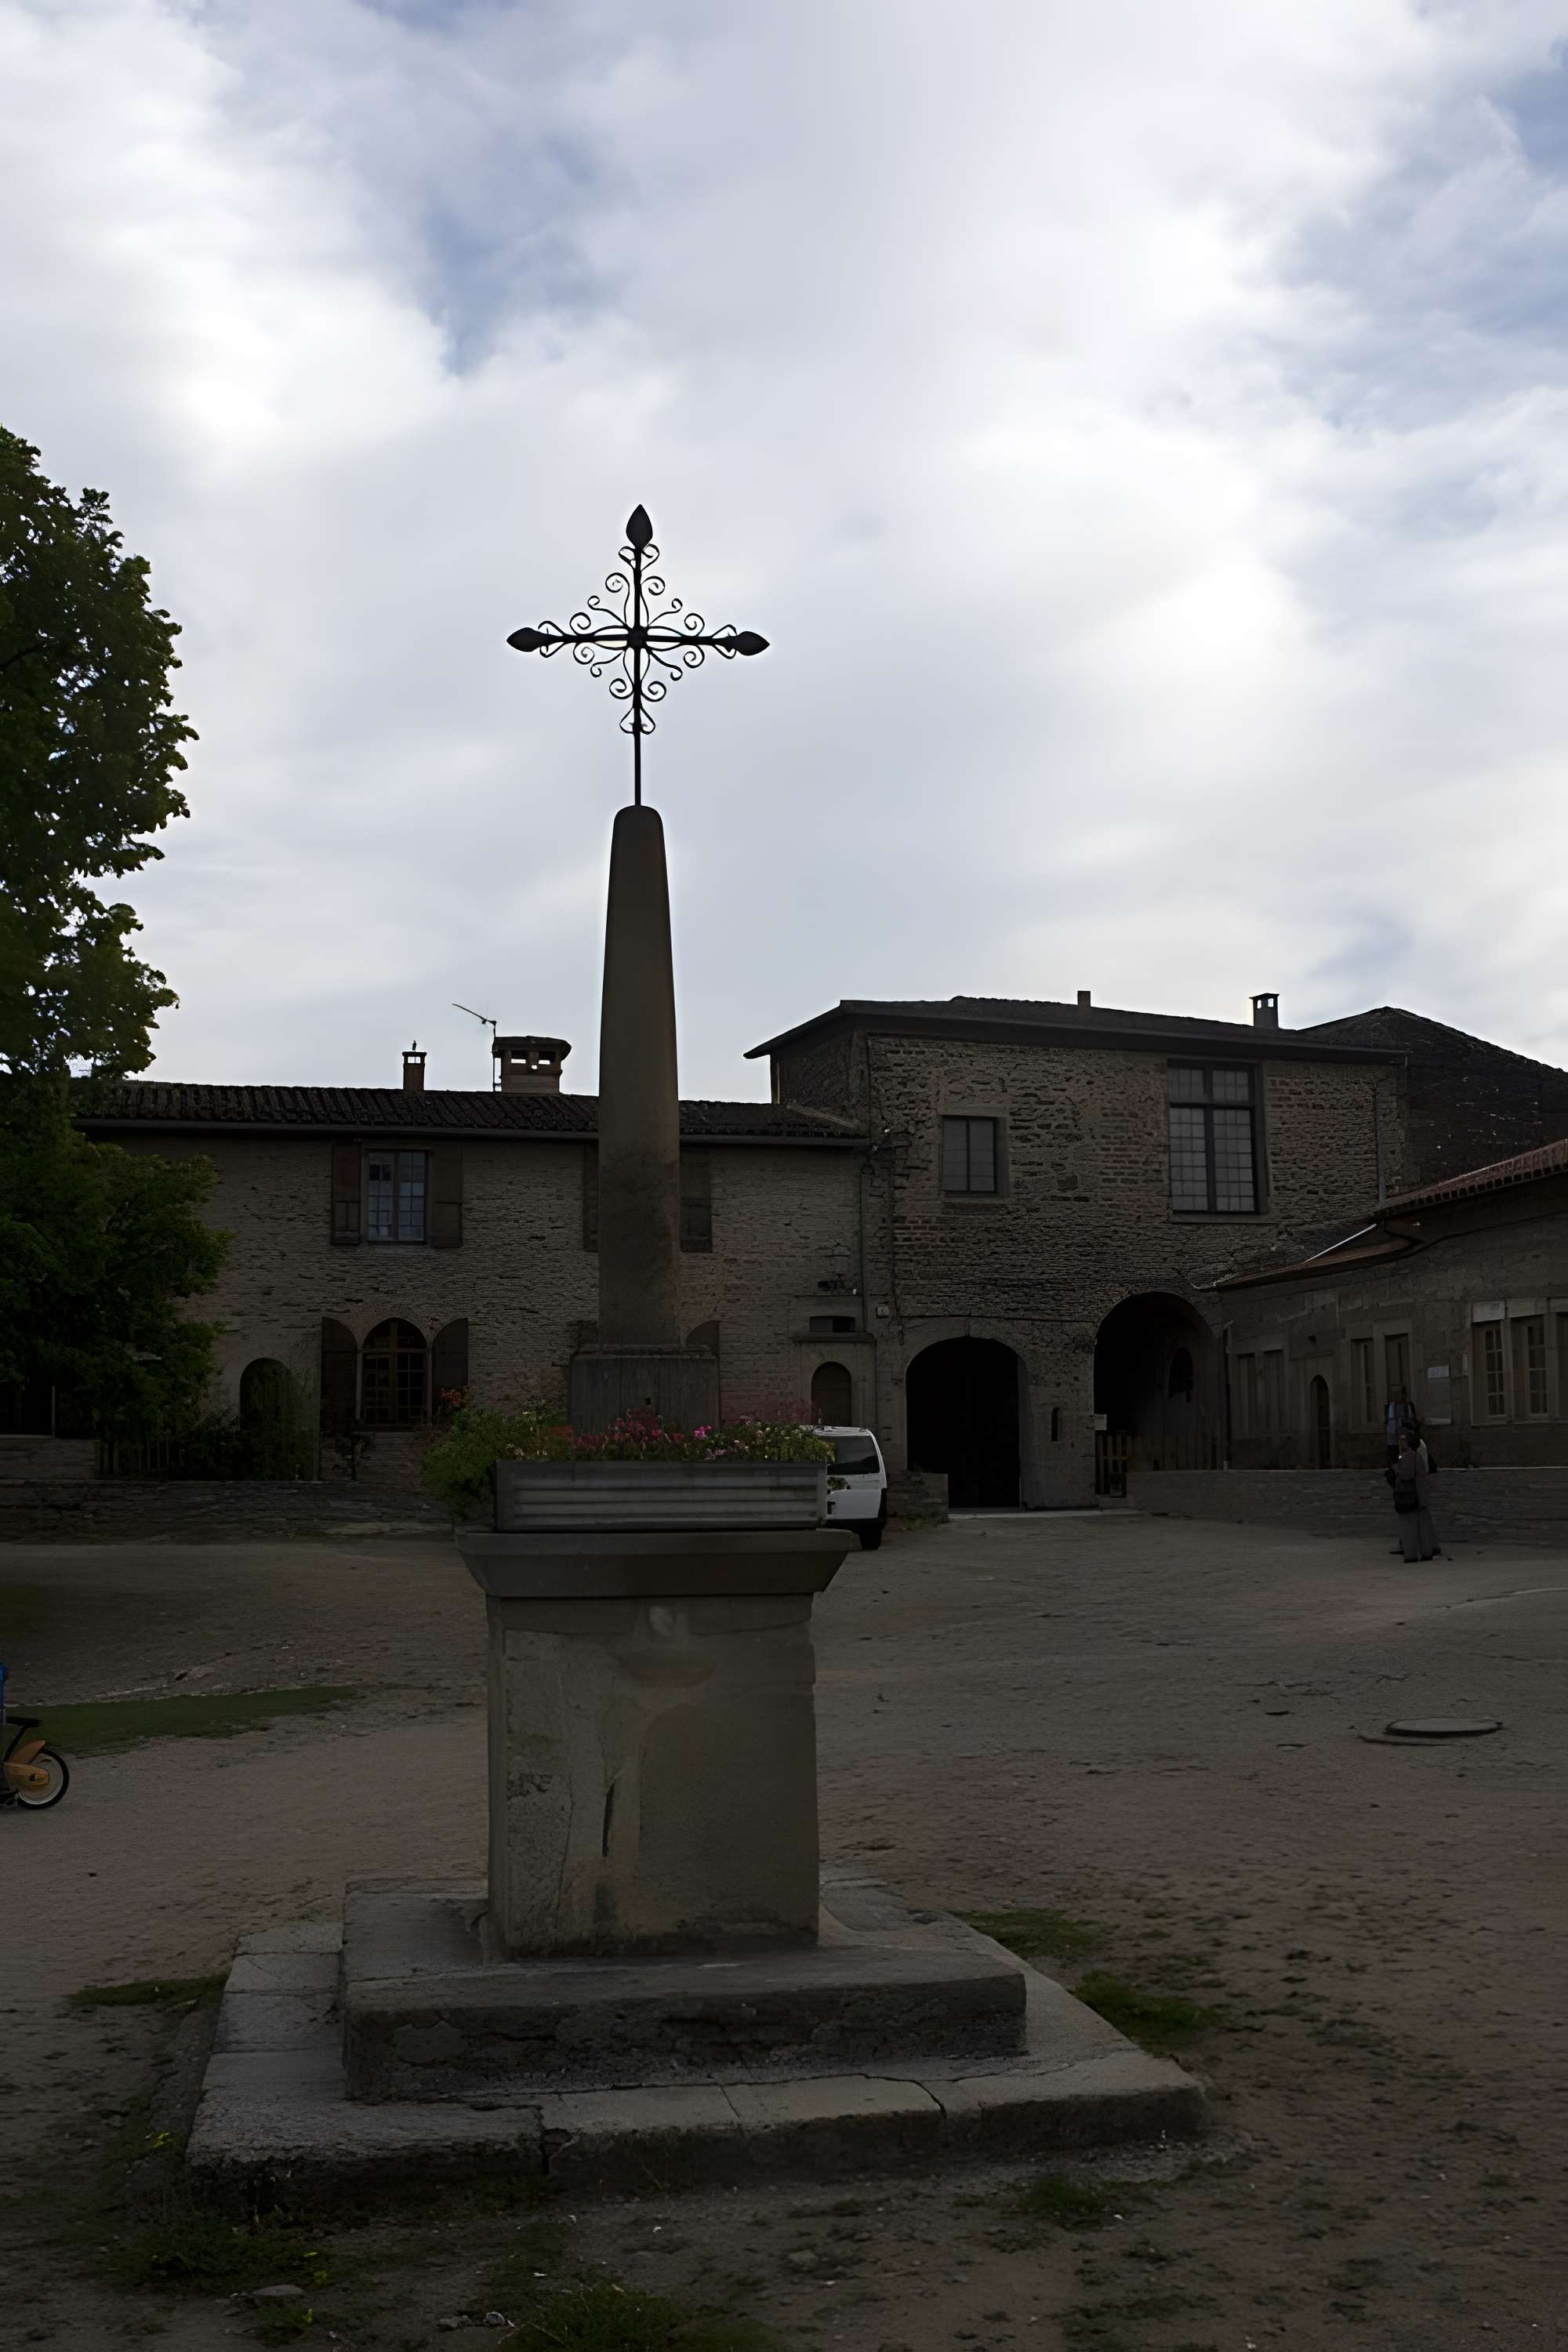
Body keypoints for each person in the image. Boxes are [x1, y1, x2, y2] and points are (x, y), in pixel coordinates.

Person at [1390, 1428, 1439, 1561]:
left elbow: (1406, 1474)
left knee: (1409, 1528)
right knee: (1423, 1527)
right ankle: (1427, 1553)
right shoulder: (1418, 1457)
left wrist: (1395, 1469)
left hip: (1410, 1497)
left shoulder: (1408, 1457)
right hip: (1420, 1495)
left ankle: (1411, 1555)